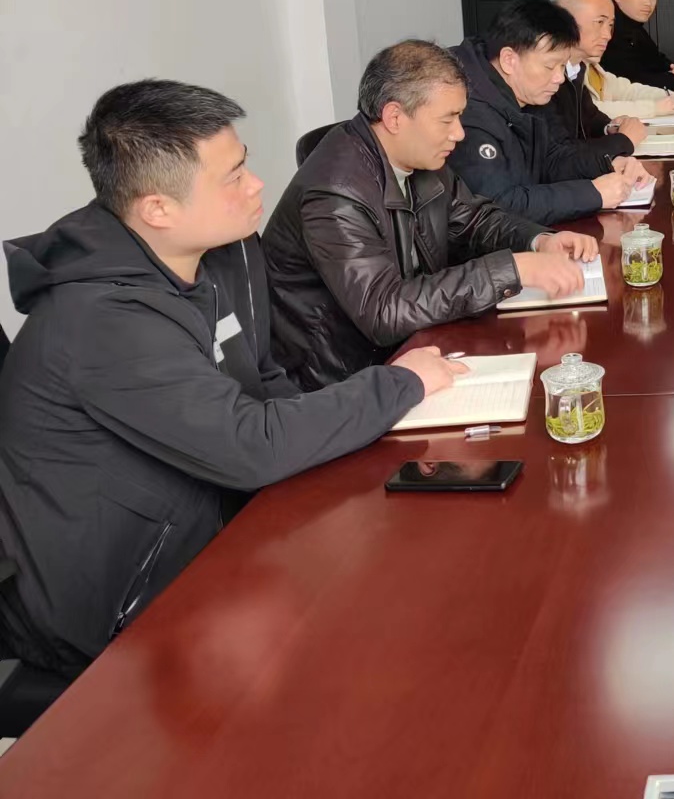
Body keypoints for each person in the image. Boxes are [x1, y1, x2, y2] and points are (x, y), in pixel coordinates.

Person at [0, 81, 469, 682]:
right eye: (234, 177)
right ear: (157, 209)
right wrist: (399, 385)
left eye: (245, 164)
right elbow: (250, 445)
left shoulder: (225, 250)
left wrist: (347, 449)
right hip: (120, 603)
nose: (257, 186)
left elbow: (263, 378)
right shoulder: (101, 319)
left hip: (220, 532)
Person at [264, 40, 597, 388]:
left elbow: (474, 219)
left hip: (413, 345)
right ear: (395, 117)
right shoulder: (335, 192)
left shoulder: (418, 155)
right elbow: (384, 311)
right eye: (447, 119)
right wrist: (512, 269)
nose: (459, 133)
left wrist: (538, 240)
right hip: (344, 379)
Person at [448, 0, 643, 224]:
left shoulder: (528, 92)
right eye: (550, 66)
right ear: (509, 60)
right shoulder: (465, 109)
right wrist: (593, 194)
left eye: (562, 66)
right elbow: (496, 208)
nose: (559, 78)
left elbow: (553, 158)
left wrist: (608, 164)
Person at [545, 0, 647, 157]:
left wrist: (609, 127)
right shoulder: (543, 76)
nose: (607, 35)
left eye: (610, 25)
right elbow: (559, 156)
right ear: (565, 20)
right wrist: (622, 141)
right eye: (599, 22)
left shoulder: (577, 67)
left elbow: (589, 116)